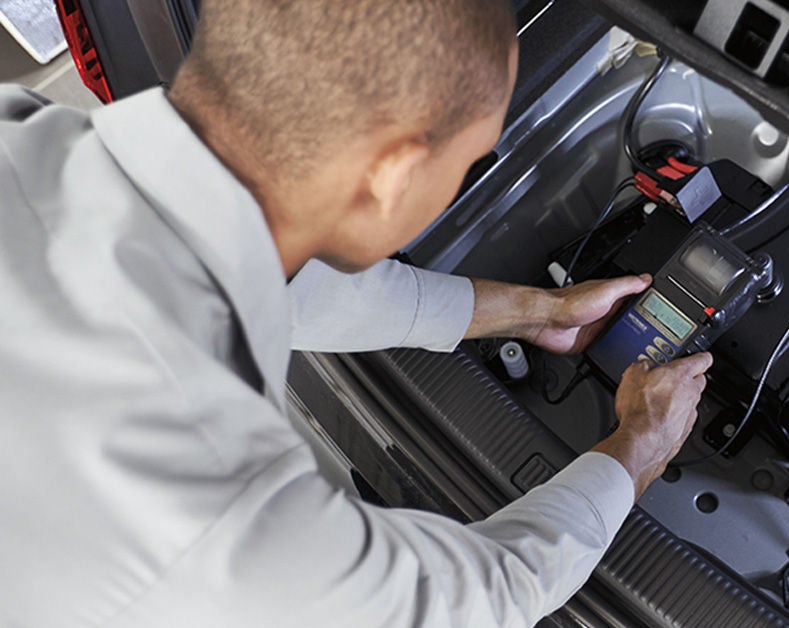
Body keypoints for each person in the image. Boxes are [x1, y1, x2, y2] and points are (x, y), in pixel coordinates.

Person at [0, 0, 712, 626]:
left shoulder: (22, 135)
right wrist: (642, 442)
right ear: (394, 174)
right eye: (465, 163)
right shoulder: (215, 505)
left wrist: (536, 312)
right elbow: (482, 599)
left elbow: (275, 280)